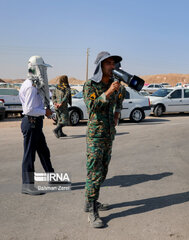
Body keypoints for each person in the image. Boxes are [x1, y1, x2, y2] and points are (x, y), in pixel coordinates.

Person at [83, 51, 125, 228]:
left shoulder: (117, 86)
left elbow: (119, 101)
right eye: (108, 63)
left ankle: (89, 201)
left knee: (104, 171)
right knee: (94, 171)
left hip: (108, 135)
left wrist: (116, 114)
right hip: (95, 136)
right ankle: (92, 210)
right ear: (100, 66)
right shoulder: (90, 85)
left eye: (113, 63)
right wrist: (108, 92)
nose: (112, 66)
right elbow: (92, 107)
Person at [19, 56, 54, 195]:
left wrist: (46, 112)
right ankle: (27, 185)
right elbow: (28, 109)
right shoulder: (31, 86)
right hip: (31, 122)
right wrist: (44, 111)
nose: (45, 72)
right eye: (43, 69)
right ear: (37, 69)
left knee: (44, 152)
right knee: (29, 155)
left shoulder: (34, 84)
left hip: (36, 122)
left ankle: (52, 178)